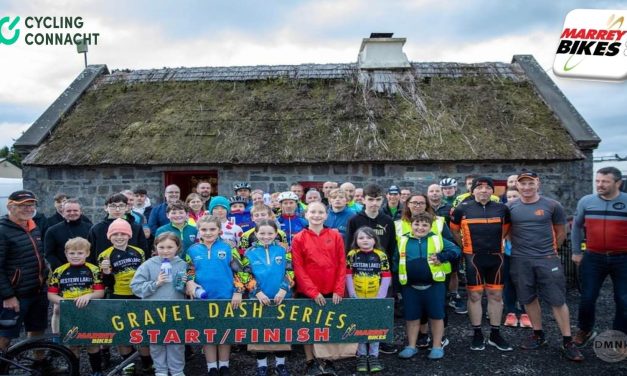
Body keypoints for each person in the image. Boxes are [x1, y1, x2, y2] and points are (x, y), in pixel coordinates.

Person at [508, 170, 583, 361]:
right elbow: (507, 232)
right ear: (517, 185)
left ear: (538, 183)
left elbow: (561, 231)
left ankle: (567, 341)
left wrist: (550, 252)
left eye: (530, 183)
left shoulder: (552, 205)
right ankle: (538, 334)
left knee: (557, 300)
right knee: (528, 298)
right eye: (522, 183)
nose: (526, 187)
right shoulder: (509, 207)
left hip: (547, 259)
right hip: (520, 260)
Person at [450, 177, 512, 351]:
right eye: (480, 187)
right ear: (473, 191)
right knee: (475, 296)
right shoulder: (462, 208)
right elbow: (454, 230)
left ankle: (495, 333)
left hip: (496, 258)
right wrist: (465, 246)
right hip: (473, 258)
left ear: (492, 191)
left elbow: (506, 230)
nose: (484, 190)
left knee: (496, 296)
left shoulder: (502, 208)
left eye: (487, 188)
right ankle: (477, 333)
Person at [571, 166, 627, 346]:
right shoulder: (586, 201)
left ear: (618, 183)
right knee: (587, 297)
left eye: (605, 181)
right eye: (597, 181)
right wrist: (576, 251)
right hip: (593, 257)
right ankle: (585, 329)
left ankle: (619, 338)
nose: (599, 185)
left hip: (623, 258)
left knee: (623, 299)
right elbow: (576, 227)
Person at [395, 212, 460, 360]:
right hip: (410, 286)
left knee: (437, 316)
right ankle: (411, 346)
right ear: (411, 225)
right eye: (417, 224)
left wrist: (442, 257)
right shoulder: (402, 240)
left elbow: (456, 250)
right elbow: (395, 261)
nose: (420, 227)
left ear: (430, 227)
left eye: (425, 225)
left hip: (434, 286)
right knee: (412, 317)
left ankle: (437, 346)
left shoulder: (437, 239)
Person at [185, 215, 245, 376]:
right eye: (204, 229)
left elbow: (240, 271)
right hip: (202, 299)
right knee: (208, 333)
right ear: (199, 231)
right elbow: (189, 271)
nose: (208, 232)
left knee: (224, 332)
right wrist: (190, 282)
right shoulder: (192, 250)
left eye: (212, 229)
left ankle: (224, 365)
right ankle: (211, 366)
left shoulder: (228, 248)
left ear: (219, 230)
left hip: (226, 297)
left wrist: (238, 292)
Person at [291, 202, 345, 376]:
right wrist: (313, 292)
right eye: (312, 212)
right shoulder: (299, 237)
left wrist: (339, 289)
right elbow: (298, 268)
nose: (316, 215)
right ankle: (310, 361)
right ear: (306, 214)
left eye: (320, 212)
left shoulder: (335, 235)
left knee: (327, 325)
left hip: (330, 289)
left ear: (326, 215)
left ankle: (327, 360)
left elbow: (341, 264)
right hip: (307, 292)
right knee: (308, 327)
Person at [345, 184, 397, 354]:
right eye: (370, 199)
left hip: (381, 272)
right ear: (363, 200)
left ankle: (379, 340)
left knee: (380, 308)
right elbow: (348, 248)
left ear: (382, 200)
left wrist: (389, 275)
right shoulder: (354, 220)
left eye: (377, 200)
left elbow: (391, 248)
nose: (374, 203)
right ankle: (360, 343)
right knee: (360, 310)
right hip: (359, 273)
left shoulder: (388, 221)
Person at [98, 218, 153, 374]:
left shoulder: (139, 251)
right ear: (110, 237)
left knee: (141, 330)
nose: (120, 237)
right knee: (122, 331)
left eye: (123, 233)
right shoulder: (105, 255)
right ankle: (128, 366)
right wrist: (106, 273)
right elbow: (106, 283)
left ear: (129, 235)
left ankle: (147, 363)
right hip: (118, 295)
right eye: (115, 234)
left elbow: (146, 273)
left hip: (139, 295)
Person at [240, 219, 294, 376]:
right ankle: (262, 365)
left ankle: (280, 365)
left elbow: (290, 270)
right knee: (259, 331)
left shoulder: (284, 251)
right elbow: (245, 275)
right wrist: (256, 292)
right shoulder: (249, 253)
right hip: (258, 298)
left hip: (282, 297)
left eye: (270, 233)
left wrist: (284, 289)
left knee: (281, 330)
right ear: (256, 234)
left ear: (276, 234)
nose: (266, 236)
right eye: (262, 233)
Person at [131, 233, 188, 376]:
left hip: (176, 310)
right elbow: (136, 287)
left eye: (170, 247)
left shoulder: (182, 264)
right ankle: (160, 370)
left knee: (176, 342)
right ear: (155, 247)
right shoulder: (149, 265)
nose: (166, 250)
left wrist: (185, 284)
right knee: (156, 342)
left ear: (177, 247)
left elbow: (187, 289)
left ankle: (177, 370)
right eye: (161, 247)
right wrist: (156, 283)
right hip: (153, 311)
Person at [47, 237, 105, 376]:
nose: (75, 256)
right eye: (72, 253)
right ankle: (74, 372)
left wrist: (88, 296)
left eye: (80, 253)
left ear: (87, 253)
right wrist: (64, 302)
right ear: (66, 253)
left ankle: (97, 371)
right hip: (69, 311)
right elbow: (51, 295)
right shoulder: (58, 271)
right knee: (73, 345)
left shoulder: (94, 270)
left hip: (90, 310)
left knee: (92, 343)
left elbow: (100, 292)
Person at [0, 190, 48, 352]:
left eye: (31, 204)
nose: (28, 208)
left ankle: (40, 364)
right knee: (5, 334)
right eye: (23, 205)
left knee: (37, 331)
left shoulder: (33, 227)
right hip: (15, 295)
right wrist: (8, 296)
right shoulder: (2, 230)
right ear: (10, 206)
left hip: (37, 291)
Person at [346, 227, 391, 373]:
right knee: (358, 326)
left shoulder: (381, 255)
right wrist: (352, 294)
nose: (365, 240)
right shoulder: (352, 254)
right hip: (357, 296)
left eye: (368, 237)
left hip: (375, 297)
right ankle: (361, 355)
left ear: (374, 240)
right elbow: (347, 275)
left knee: (374, 326)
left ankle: (373, 355)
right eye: (361, 238)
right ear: (356, 240)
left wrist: (380, 296)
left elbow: (386, 276)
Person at [88, 193, 148, 262]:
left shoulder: (136, 227)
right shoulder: (96, 229)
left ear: (127, 207)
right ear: (106, 208)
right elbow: (90, 253)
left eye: (121, 206)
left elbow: (144, 251)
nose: (117, 209)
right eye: (113, 206)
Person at [501, 189, 531, 328]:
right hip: (508, 253)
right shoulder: (504, 212)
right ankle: (511, 312)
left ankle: (526, 313)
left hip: (525, 254)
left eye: (514, 196)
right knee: (509, 283)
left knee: (526, 283)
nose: (511, 198)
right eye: (508, 196)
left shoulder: (526, 211)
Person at [45, 198, 92, 271]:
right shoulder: (52, 231)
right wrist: (63, 269)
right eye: (68, 211)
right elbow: (49, 254)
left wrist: (88, 268)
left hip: (87, 271)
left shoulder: (90, 228)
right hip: (62, 272)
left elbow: (93, 251)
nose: (72, 213)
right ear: (63, 212)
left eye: (75, 210)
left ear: (80, 212)